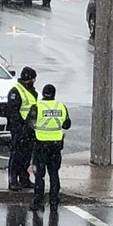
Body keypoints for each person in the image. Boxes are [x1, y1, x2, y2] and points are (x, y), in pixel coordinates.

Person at [26, 83, 71, 212]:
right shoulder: (61, 106)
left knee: (39, 175)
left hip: (41, 144)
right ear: (54, 94)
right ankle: (54, 200)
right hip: (56, 146)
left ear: (43, 94)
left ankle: (38, 201)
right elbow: (67, 124)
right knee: (54, 173)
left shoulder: (37, 107)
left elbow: (29, 124)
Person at [5, 66, 38, 191]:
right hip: (19, 129)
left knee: (26, 155)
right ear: (29, 79)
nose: (34, 81)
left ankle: (24, 178)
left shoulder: (31, 91)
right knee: (16, 155)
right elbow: (13, 111)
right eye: (33, 79)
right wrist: (20, 127)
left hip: (29, 128)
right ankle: (13, 180)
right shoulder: (16, 91)